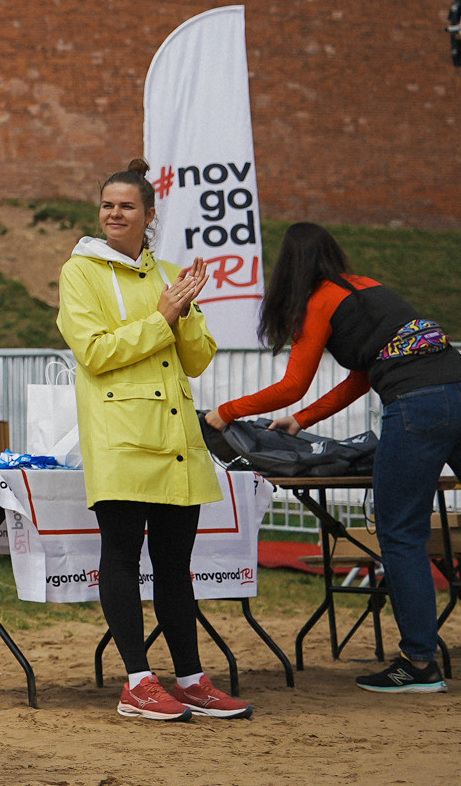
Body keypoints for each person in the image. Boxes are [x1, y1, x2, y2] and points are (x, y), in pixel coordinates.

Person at [206, 222, 461, 694]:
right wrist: (300, 421)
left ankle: (421, 663)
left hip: (419, 404)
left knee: (400, 531)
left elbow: (291, 384)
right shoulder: (369, 290)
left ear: (288, 270)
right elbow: (362, 377)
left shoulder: (319, 300)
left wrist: (225, 412)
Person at [56, 160, 252, 720]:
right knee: (119, 554)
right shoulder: (81, 272)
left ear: (149, 215)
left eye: (126, 206)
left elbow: (195, 360)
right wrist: (162, 316)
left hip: (176, 440)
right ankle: (137, 681)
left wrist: (184, 312)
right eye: (107, 205)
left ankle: (189, 677)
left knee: (175, 563)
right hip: (120, 437)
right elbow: (93, 352)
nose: (114, 214)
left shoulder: (169, 271)